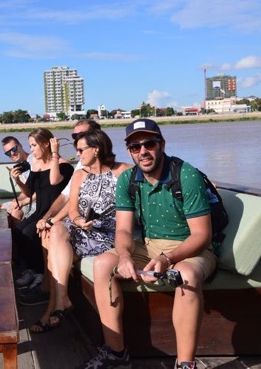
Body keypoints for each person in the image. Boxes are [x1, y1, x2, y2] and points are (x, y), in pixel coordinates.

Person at [79, 119, 216, 369]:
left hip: (190, 248)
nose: (143, 151)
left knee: (183, 273)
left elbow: (201, 236)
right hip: (149, 244)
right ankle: (116, 352)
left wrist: (168, 259)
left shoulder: (186, 174)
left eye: (149, 144)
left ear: (161, 144)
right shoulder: (128, 180)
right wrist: (123, 255)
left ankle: (185, 363)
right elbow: (122, 229)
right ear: (129, 151)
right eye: (134, 147)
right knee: (102, 264)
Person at [32, 130, 131, 333]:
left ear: (96, 149)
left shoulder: (123, 171)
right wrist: (78, 220)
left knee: (53, 256)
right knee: (56, 230)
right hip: (82, 230)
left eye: (80, 150)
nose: (77, 155)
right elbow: (73, 209)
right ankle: (61, 303)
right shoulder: (79, 175)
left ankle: (57, 306)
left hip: (110, 235)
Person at [12, 128, 74, 306]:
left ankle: (41, 274)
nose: (31, 150)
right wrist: (17, 181)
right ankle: (34, 269)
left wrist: (54, 154)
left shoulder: (63, 166)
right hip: (41, 211)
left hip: (56, 213)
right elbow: (30, 192)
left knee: (30, 233)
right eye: (30, 145)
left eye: (33, 145)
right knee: (19, 231)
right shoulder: (36, 165)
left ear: (46, 144)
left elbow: (54, 180)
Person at [1, 136, 34, 223]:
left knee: (16, 212)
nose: (12, 153)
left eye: (14, 149)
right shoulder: (20, 167)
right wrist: (17, 199)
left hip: (36, 202)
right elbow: (26, 192)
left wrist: (21, 202)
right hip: (28, 199)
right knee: (0, 209)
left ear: (20, 146)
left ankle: (17, 235)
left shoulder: (33, 160)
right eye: (8, 153)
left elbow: (35, 192)